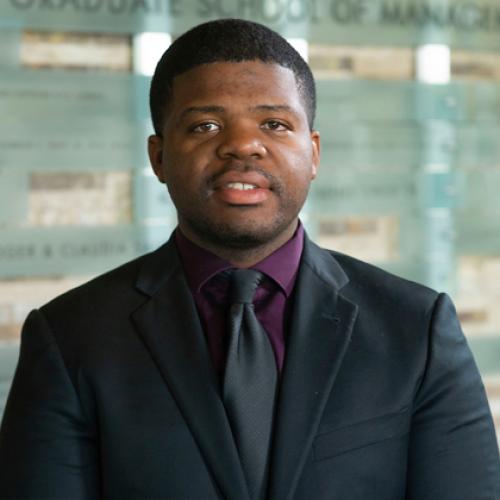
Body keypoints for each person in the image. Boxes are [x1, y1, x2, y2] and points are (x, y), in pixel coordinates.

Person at [0, 18, 499, 500]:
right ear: (158, 157)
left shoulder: (416, 328)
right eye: (205, 125)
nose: (242, 145)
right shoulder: (70, 338)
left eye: (274, 123)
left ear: (314, 153)